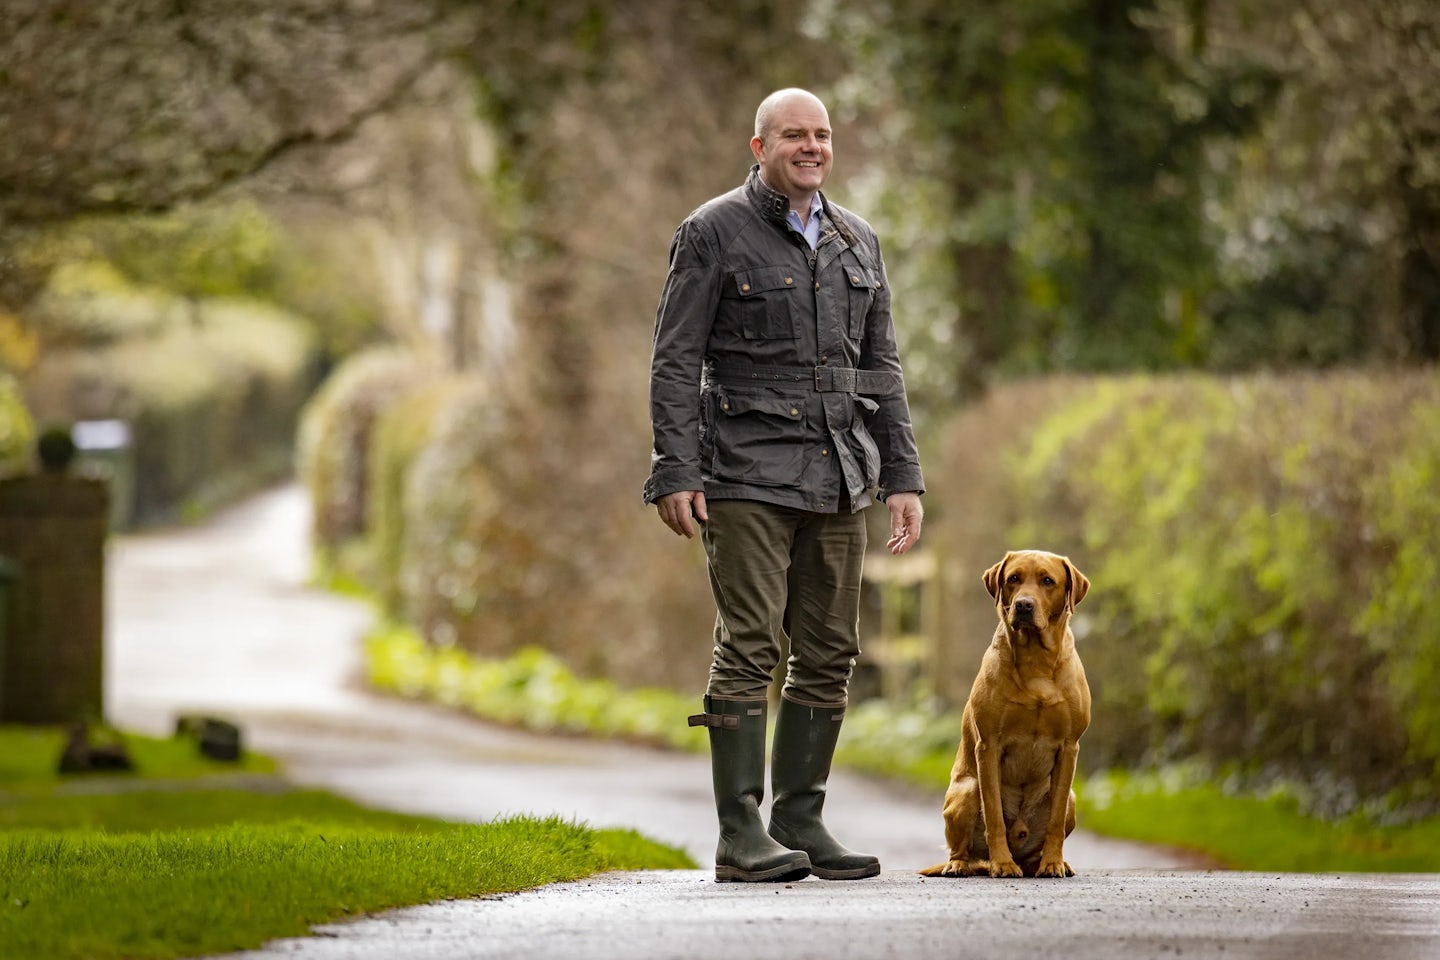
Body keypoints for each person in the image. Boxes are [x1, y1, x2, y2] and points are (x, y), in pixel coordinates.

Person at [643, 88, 925, 883]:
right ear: (759, 145)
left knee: (832, 651)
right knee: (751, 647)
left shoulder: (856, 238)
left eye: (822, 134)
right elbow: (674, 358)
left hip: (840, 474)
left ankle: (800, 821)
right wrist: (676, 467)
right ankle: (740, 835)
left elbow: (884, 369)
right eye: (794, 135)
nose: (812, 146)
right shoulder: (712, 231)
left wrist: (903, 475)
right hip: (743, 471)